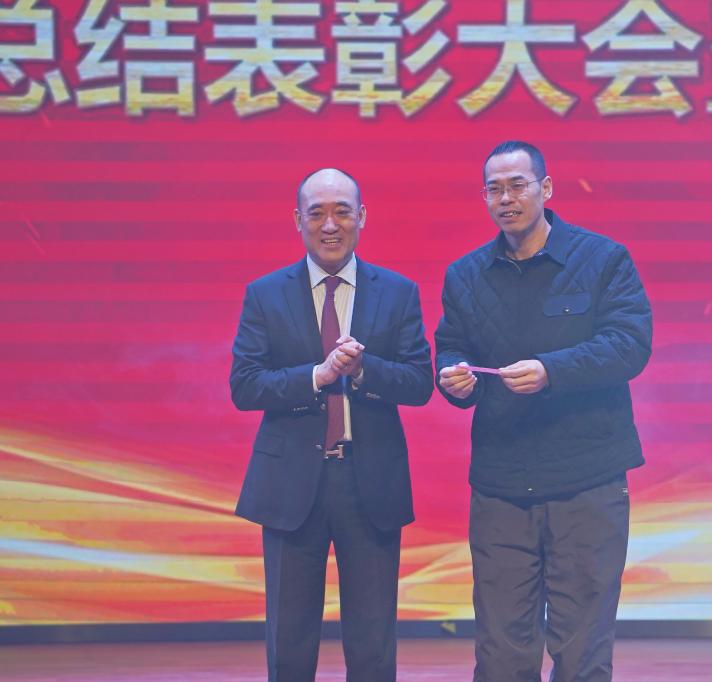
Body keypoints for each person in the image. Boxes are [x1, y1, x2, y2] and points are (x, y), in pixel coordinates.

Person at [435, 140, 653, 681]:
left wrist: (551, 371)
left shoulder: (603, 259)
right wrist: (453, 377)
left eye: (518, 185)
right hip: (502, 483)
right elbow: (451, 345)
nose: (506, 199)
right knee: (501, 644)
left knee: (583, 645)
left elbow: (629, 345)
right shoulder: (465, 275)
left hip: (588, 480)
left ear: (546, 188)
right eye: (494, 189)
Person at [229, 168, 432, 682]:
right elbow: (245, 386)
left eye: (342, 211)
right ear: (297, 220)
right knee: (289, 640)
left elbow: (418, 383)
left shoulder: (398, 292)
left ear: (361, 217)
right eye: (316, 213)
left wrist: (364, 369)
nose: (330, 225)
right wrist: (316, 377)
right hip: (291, 483)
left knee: (373, 641)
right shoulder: (265, 293)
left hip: (370, 481)